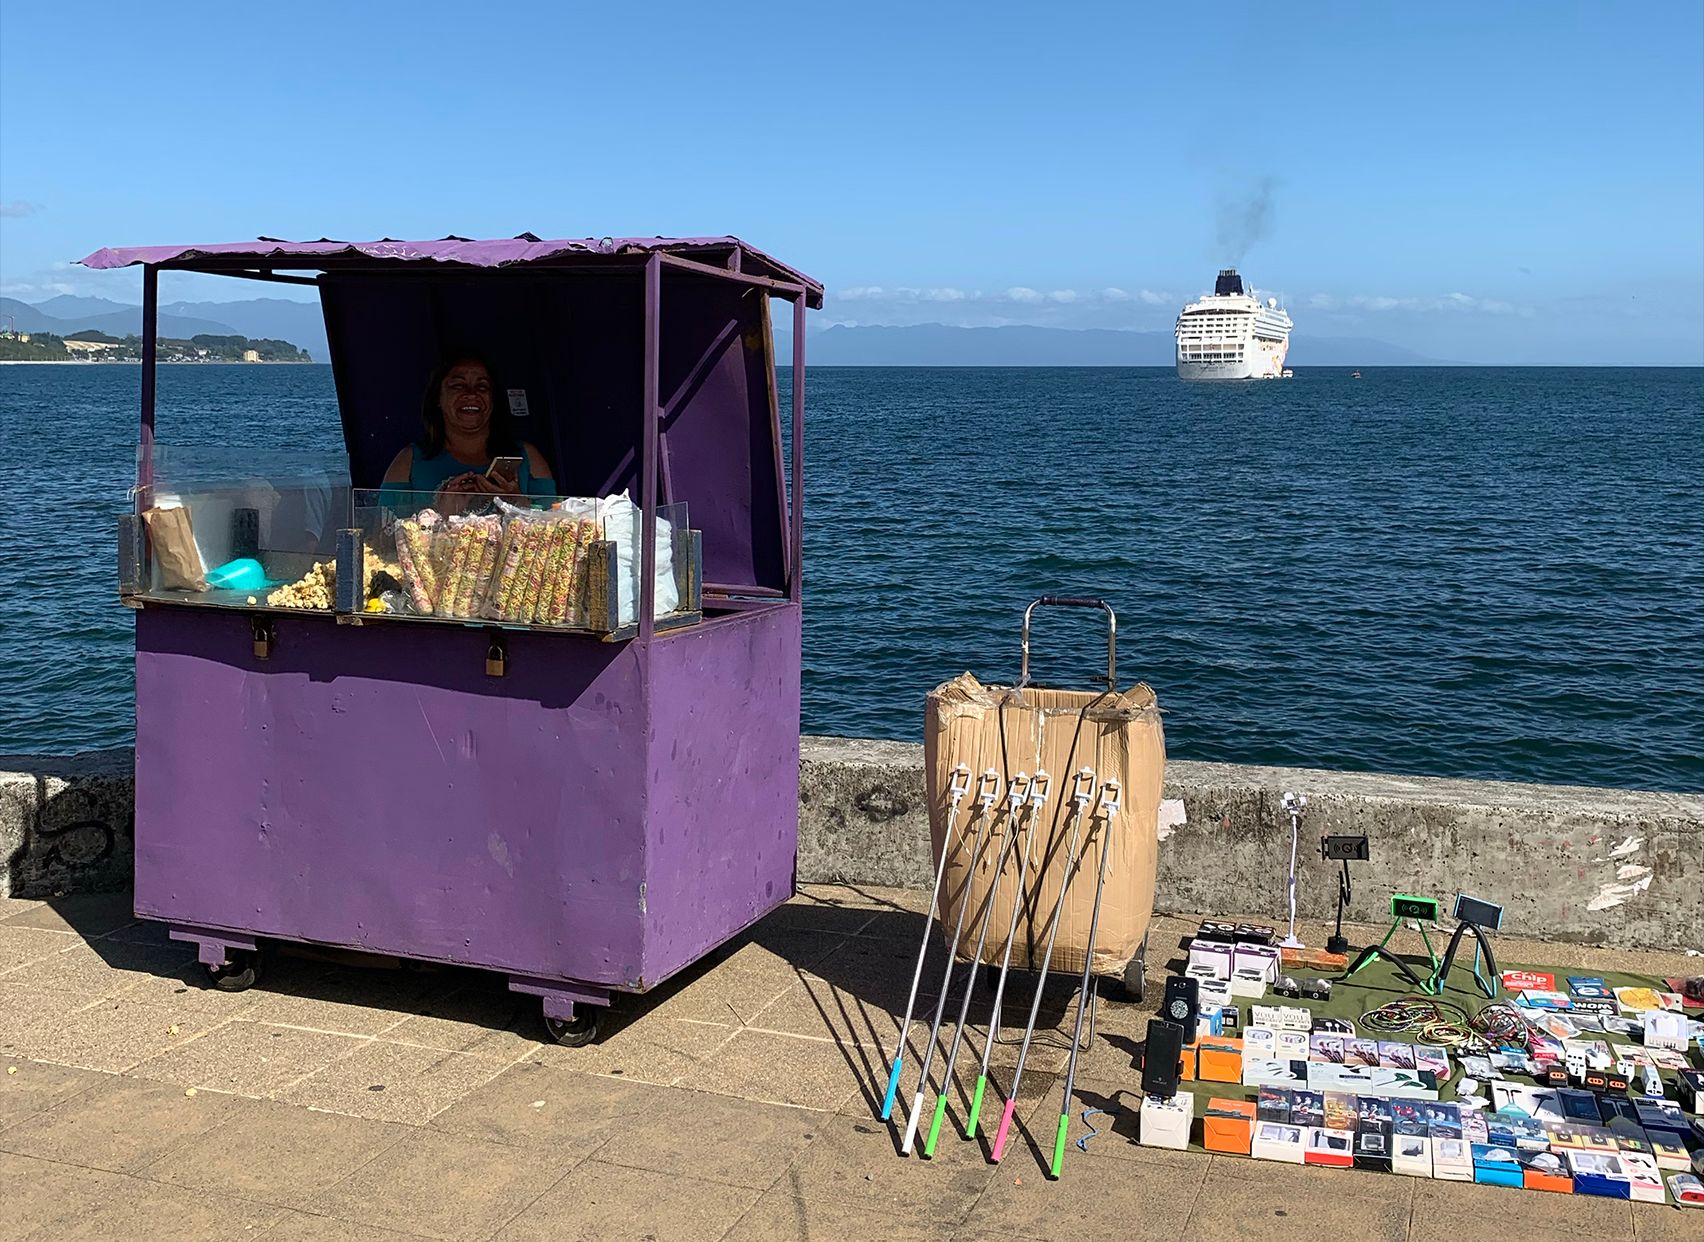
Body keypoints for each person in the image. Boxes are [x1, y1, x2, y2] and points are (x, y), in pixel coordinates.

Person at [381, 354, 555, 502]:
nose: (471, 393)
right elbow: (381, 535)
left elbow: (557, 526)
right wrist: (439, 517)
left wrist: (516, 503)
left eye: (482, 386)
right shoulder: (408, 461)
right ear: (437, 398)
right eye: (458, 385)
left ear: (493, 400)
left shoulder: (527, 457)